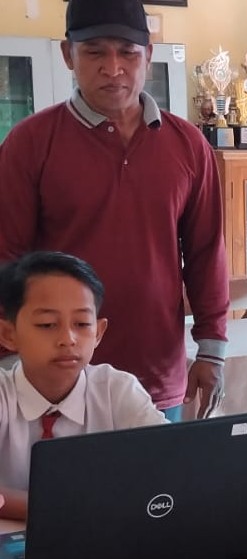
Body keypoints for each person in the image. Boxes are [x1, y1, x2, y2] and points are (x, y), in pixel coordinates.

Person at [0, 0, 229, 422]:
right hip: (57, 380)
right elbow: (6, 258)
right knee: (54, 470)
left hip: (157, 376)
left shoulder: (189, 146)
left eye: (127, 52)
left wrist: (212, 349)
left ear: (148, 55)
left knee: (158, 469)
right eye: (94, 52)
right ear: (68, 55)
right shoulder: (29, 143)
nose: (113, 68)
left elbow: (206, 252)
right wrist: (10, 361)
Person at [0, 251, 169, 520]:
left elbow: (170, 462)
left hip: (103, 534)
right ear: (8, 334)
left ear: (98, 332)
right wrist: (62, 510)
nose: (68, 339)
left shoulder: (117, 390)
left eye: (81, 324)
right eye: (47, 324)